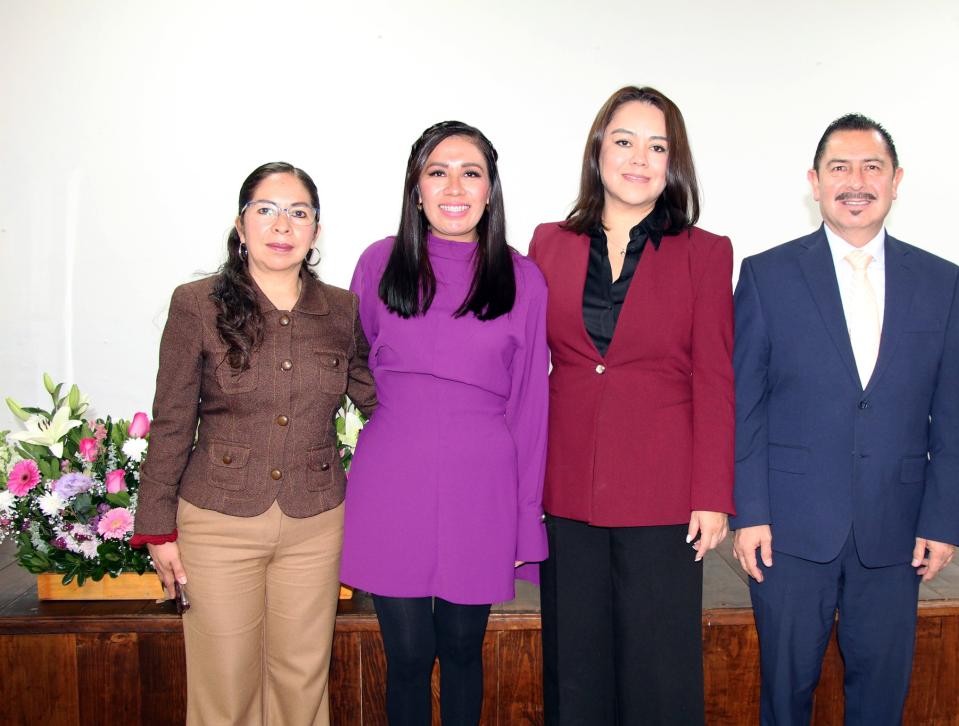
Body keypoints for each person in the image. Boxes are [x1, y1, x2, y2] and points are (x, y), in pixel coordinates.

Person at [730, 114, 959, 725]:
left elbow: (953, 414)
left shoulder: (941, 281)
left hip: (897, 531)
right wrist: (749, 513)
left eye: (872, 167)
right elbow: (745, 405)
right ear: (815, 182)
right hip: (788, 533)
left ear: (896, 181)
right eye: (839, 168)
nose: (856, 182)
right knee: (784, 695)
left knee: (881, 699)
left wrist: (943, 521)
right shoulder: (766, 275)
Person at [131, 162, 377, 726]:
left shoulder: (342, 310)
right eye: (266, 210)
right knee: (225, 684)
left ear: (316, 230)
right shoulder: (196, 304)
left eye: (298, 212)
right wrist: (157, 527)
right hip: (217, 521)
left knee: (302, 679)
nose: (282, 225)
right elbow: (172, 421)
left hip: (316, 522)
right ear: (241, 225)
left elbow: (378, 401)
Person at [529, 86, 735, 725]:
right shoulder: (548, 243)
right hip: (568, 490)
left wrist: (712, 494)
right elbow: (531, 368)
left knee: (659, 675)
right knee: (575, 673)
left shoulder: (706, 252)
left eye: (657, 146)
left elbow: (715, 378)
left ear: (675, 162)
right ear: (598, 150)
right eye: (623, 141)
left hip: (663, 494)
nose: (638, 158)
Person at [339, 120, 549, 726]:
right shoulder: (379, 262)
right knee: (407, 655)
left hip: (483, 485)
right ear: (417, 188)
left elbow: (531, 405)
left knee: (461, 650)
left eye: (470, 173)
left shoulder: (522, 277)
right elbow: (353, 362)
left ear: (490, 190)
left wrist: (525, 516)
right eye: (438, 172)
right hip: (391, 478)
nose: (454, 187)